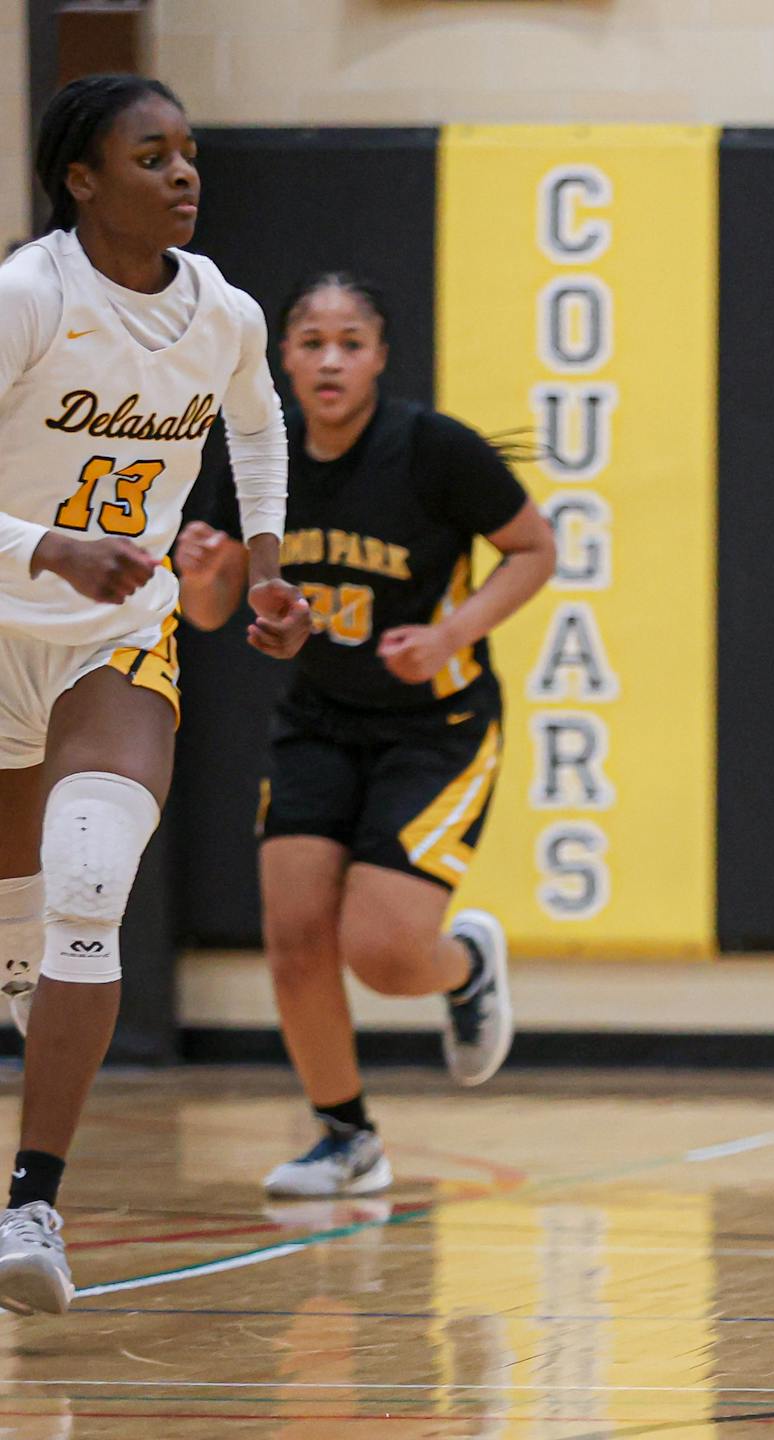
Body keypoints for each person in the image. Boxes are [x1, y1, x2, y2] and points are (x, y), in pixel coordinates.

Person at [0, 75, 312, 1314]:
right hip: (4, 612)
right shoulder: (29, 297)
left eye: (189, 153)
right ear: (82, 180)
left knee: (89, 880)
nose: (185, 174)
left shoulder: (222, 310)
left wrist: (272, 568)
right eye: (152, 156)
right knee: (21, 942)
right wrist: (47, 546)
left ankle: (31, 1206)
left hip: (113, 643)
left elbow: (258, 423)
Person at [177, 272, 552, 1200]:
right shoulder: (260, 458)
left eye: (351, 341)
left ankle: (462, 968)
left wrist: (452, 633)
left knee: (382, 956)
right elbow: (216, 608)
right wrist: (199, 572)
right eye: (311, 341)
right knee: (296, 936)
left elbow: (535, 548)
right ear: (285, 359)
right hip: (319, 719)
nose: (330, 358)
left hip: (439, 725)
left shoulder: (433, 451)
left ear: (381, 356)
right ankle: (346, 1137)